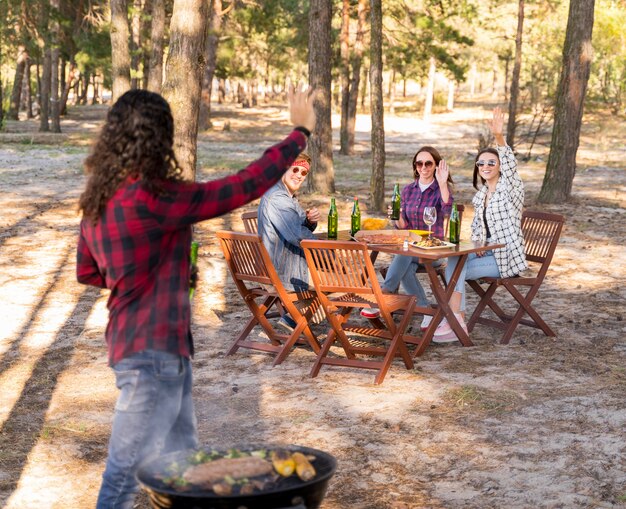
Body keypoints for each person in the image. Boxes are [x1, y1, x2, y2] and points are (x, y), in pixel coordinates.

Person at [76, 86, 316, 508]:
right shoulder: (155, 197)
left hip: (140, 345)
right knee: (125, 471)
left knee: (185, 467)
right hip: (155, 352)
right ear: (161, 139)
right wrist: (298, 134)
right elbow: (242, 185)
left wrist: (150, 268)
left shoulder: (99, 199)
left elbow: (89, 271)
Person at [433, 107, 527, 343]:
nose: (485, 166)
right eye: (481, 163)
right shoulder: (481, 195)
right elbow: (477, 231)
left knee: (454, 272)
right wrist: (480, 245)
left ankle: (454, 321)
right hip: (486, 252)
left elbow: (512, 167)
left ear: (500, 166)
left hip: (505, 258)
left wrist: (498, 137)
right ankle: (458, 318)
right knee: (452, 262)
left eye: (491, 162)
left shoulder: (511, 189)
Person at [361, 146, 454, 330]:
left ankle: (384, 294)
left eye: (428, 163)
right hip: (409, 250)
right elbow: (403, 227)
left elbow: (447, 210)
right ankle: (426, 311)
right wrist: (397, 218)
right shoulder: (407, 190)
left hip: (432, 250)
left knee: (404, 252)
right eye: (419, 163)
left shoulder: (440, 189)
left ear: (435, 165)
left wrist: (443, 184)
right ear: (415, 166)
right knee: (406, 262)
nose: (424, 167)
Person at [257, 152, 320, 330]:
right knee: (339, 280)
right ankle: (294, 318)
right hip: (281, 272)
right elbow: (298, 236)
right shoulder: (278, 197)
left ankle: (296, 318)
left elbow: (298, 228)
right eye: (295, 169)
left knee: (332, 275)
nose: (299, 175)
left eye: (303, 173)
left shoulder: (286, 196)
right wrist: (326, 251)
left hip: (281, 266)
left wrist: (309, 221)